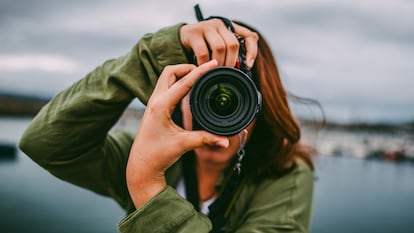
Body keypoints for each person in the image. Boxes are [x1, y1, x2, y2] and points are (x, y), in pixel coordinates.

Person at [19, 14, 315, 233]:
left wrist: (148, 186)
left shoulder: (286, 176)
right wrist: (147, 56)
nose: (216, 120)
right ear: (178, 97)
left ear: (261, 108)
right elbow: (45, 144)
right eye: (202, 93)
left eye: (236, 99)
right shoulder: (143, 154)